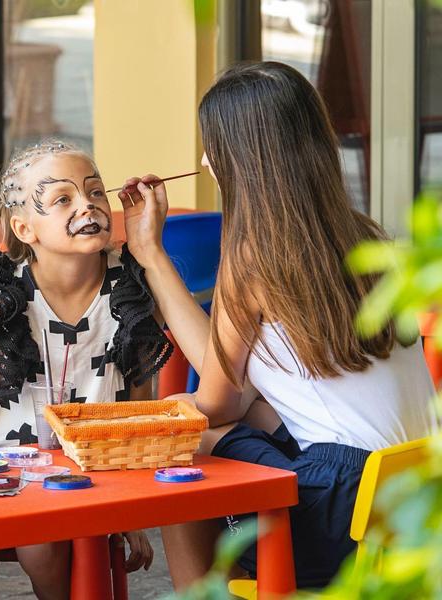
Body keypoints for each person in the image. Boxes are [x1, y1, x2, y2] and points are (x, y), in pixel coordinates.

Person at [118, 61, 438, 589]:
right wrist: (150, 252)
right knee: (252, 413)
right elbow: (233, 383)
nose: (205, 160)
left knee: (182, 444)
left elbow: (216, 402)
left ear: (244, 159)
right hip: (405, 504)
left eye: (213, 146)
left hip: (338, 506)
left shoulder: (254, 258)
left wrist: (172, 409)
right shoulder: (366, 238)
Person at [0, 141, 166, 600]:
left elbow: (139, 405)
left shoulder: (133, 294)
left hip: (95, 472)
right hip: (4, 467)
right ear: (25, 228)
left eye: (96, 192)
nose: (88, 206)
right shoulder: (1, 302)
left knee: (40, 545)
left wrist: (134, 512)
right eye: (64, 198)